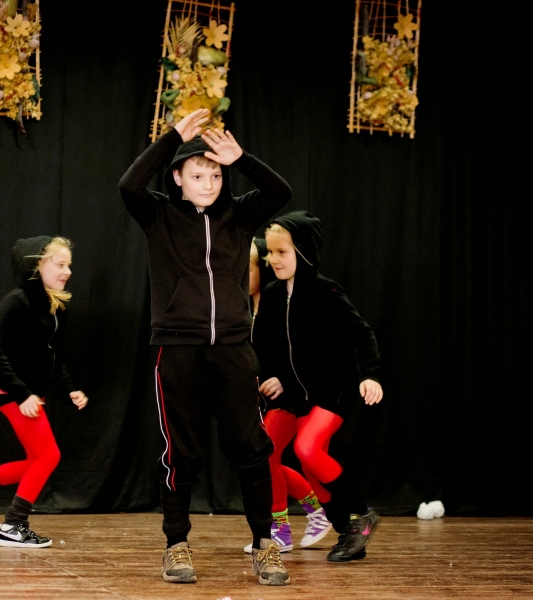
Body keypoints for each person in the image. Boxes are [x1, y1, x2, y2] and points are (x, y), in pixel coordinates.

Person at [118, 108, 292, 586]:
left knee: (252, 449)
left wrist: (243, 159)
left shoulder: (240, 214)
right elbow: (128, 186)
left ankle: (265, 544)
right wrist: (172, 137)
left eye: (215, 175)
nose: (209, 183)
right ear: (178, 177)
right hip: (178, 351)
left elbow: (280, 192)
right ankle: (176, 544)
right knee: (182, 454)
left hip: (233, 350)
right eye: (197, 175)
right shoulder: (159, 214)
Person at [256, 211, 383, 562]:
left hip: (332, 390)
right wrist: (272, 375)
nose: (273, 259)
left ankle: (362, 513)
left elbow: (362, 332)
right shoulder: (272, 294)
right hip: (294, 395)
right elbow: (265, 346)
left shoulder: (326, 291)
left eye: (282, 252)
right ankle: (346, 528)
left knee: (308, 449)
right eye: (270, 252)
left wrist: (371, 374)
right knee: (266, 450)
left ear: (304, 252)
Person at [0, 236, 88, 549]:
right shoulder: (16, 301)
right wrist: (22, 394)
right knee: (49, 456)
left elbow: (55, 358)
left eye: (69, 265)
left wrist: (70, 389)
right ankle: (12, 525)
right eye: (60, 264)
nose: (67, 271)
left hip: (27, 392)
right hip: (5, 388)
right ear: (37, 265)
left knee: (37, 460)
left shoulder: (57, 307)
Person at [244, 237, 334, 553]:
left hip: (292, 397)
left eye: (247, 269)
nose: (240, 275)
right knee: (263, 461)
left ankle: (280, 529)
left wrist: (282, 378)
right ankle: (316, 510)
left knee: (266, 454)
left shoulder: (282, 302)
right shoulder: (248, 308)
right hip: (261, 398)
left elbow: (303, 349)